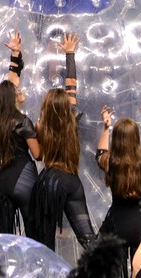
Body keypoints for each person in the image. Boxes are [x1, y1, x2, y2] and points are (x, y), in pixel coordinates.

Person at [31, 32, 97, 251]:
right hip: (72, 180)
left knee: (43, 240)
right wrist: (70, 53)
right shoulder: (72, 118)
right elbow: (71, 84)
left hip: (50, 181)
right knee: (88, 238)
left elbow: (38, 155)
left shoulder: (40, 126)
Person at [95, 95, 141, 270]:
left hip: (116, 223)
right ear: (136, 137)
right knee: (140, 269)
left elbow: (99, 154)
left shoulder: (110, 161)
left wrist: (106, 127)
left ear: (117, 138)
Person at [0, 30, 41, 236]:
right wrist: (41, 132)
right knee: (35, 236)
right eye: (17, 91)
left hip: (2, 184)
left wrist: (15, 55)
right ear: (12, 98)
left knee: (4, 239)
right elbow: (38, 155)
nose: (20, 90)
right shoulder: (23, 122)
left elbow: (11, 83)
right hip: (25, 180)